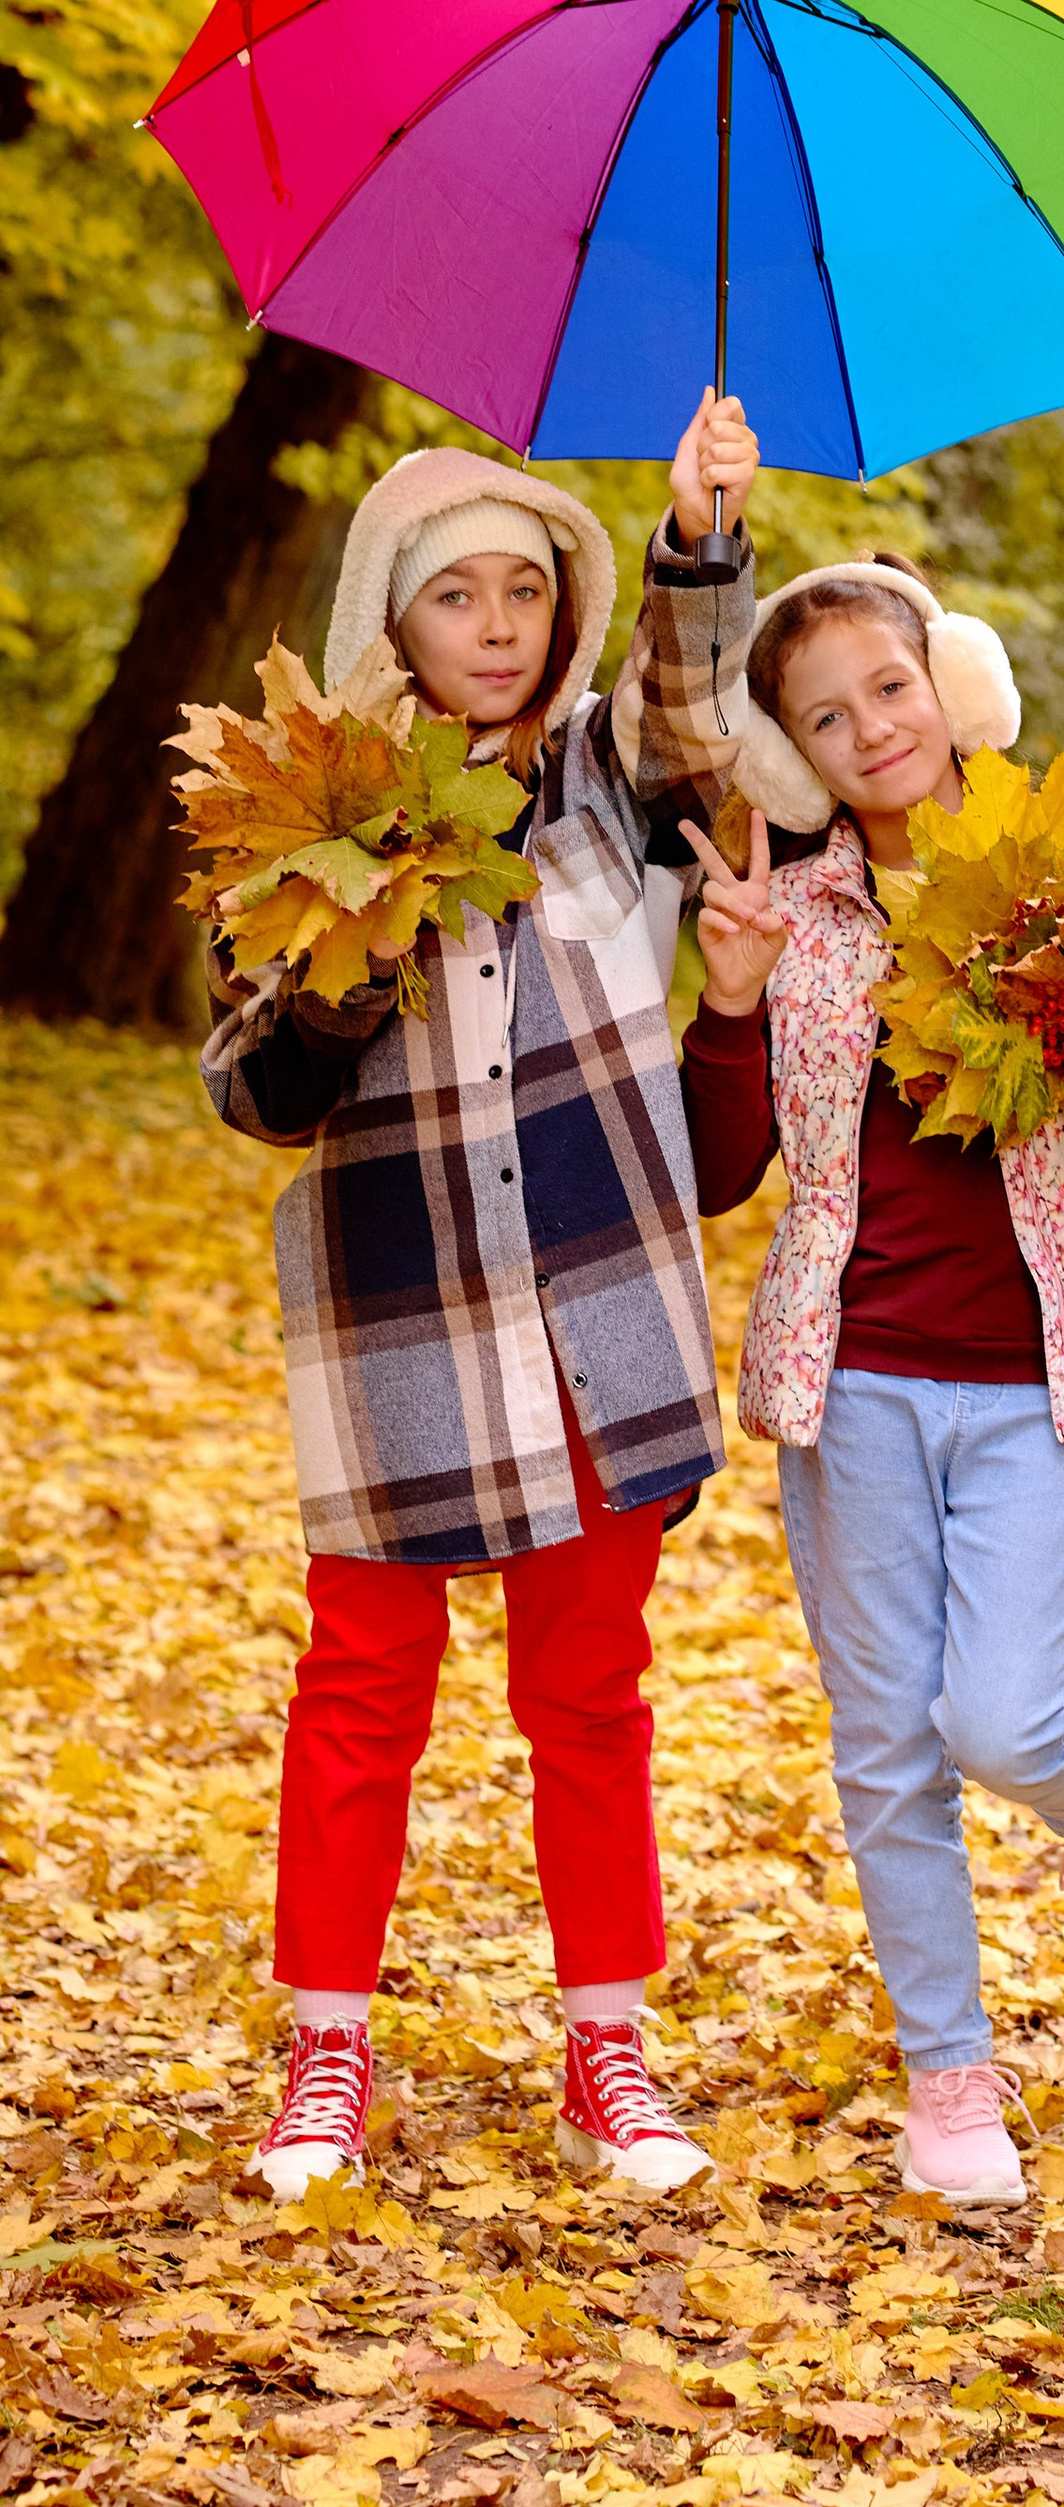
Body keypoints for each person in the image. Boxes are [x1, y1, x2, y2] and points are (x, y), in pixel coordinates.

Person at [205, 396, 758, 2202]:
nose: (503, 623)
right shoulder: (306, 818)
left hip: (598, 1318)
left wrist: (695, 540)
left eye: (530, 587)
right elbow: (252, 1091)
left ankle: (609, 2051)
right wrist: (351, 952)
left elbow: (692, 718)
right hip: (406, 1330)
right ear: (396, 622)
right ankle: (326, 2056)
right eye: (463, 596)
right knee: (364, 1689)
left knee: (590, 1693)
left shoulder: (601, 781)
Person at [671, 551, 1064, 2211]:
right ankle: (950, 2075)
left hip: (1044, 1377)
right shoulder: (801, 908)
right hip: (857, 1385)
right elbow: (716, 1169)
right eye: (825, 719)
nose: (870, 730)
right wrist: (731, 997)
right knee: (887, 1740)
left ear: (949, 680)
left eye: (889, 690)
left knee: (999, 1716)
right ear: (795, 756)